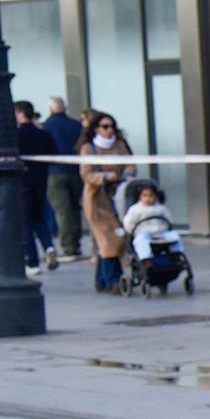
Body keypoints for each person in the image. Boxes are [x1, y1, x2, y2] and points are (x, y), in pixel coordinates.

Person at [78, 111, 136, 293]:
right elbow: (86, 174)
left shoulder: (119, 145)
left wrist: (127, 174)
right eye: (105, 127)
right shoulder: (88, 148)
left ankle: (102, 281)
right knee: (108, 238)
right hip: (97, 198)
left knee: (114, 238)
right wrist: (103, 176)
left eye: (112, 126)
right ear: (96, 129)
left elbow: (129, 163)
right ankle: (113, 280)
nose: (109, 130)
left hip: (117, 196)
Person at [15, 101, 59, 275]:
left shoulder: (15, 135)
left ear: (20, 113)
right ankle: (48, 246)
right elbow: (54, 154)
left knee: (25, 222)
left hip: (22, 182)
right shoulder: (44, 134)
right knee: (39, 217)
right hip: (41, 180)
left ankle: (32, 262)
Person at [43, 96, 84, 260]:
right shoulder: (76, 125)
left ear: (50, 109)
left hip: (54, 172)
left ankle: (68, 247)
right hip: (75, 170)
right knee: (75, 208)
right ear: (65, 107)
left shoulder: (46, 127)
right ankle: (76, 245)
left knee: (62, 211)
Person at [122, 184, 181, 262]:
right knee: (140, 240)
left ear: (156, 196)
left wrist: (165, 228)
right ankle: (146, 259)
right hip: (144, 233)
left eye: (151, 196)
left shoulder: (161, 208)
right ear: (140, 197)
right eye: (145, 196)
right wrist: (133, 231)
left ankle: (176, 254)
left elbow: (169, 219)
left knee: (174, 236)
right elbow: (128, 222)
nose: (148, 198)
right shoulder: (135, 209)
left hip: (161, 232)